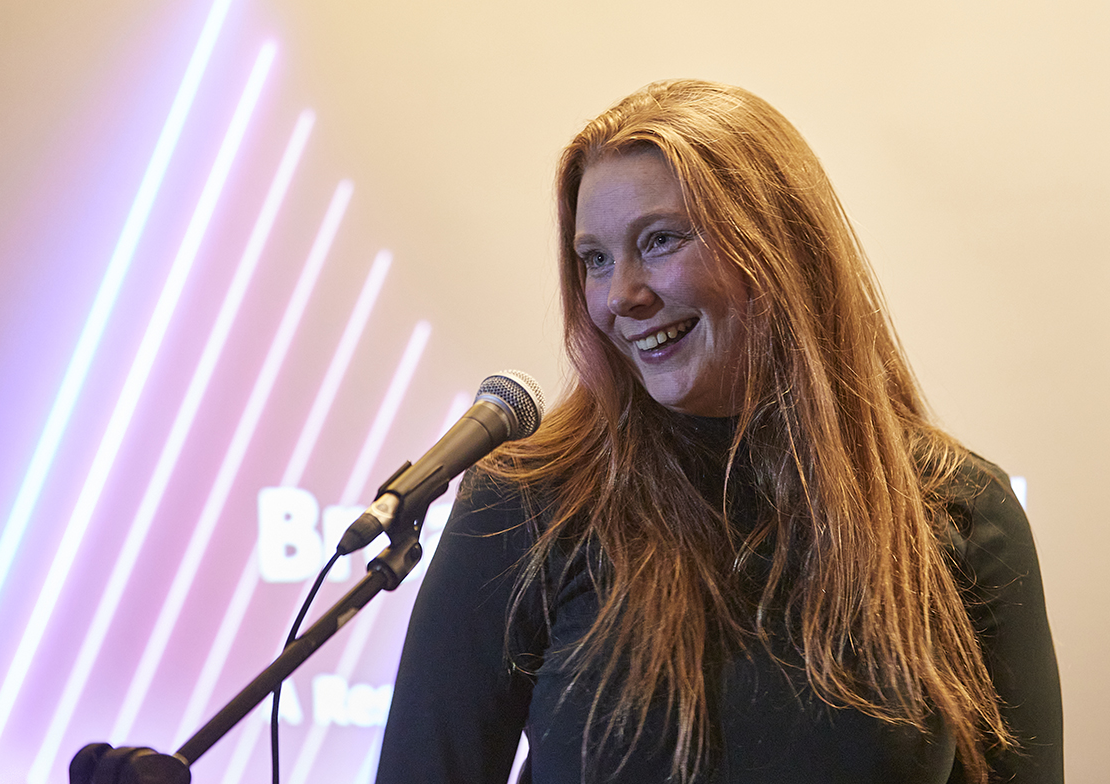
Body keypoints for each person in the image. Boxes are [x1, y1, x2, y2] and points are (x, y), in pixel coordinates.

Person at [373, 80, 1062, 784]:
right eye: (595, 259)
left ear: (781, 247)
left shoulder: (959, 511)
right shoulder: (525, 502)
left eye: (661, 241)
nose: (620, 296)